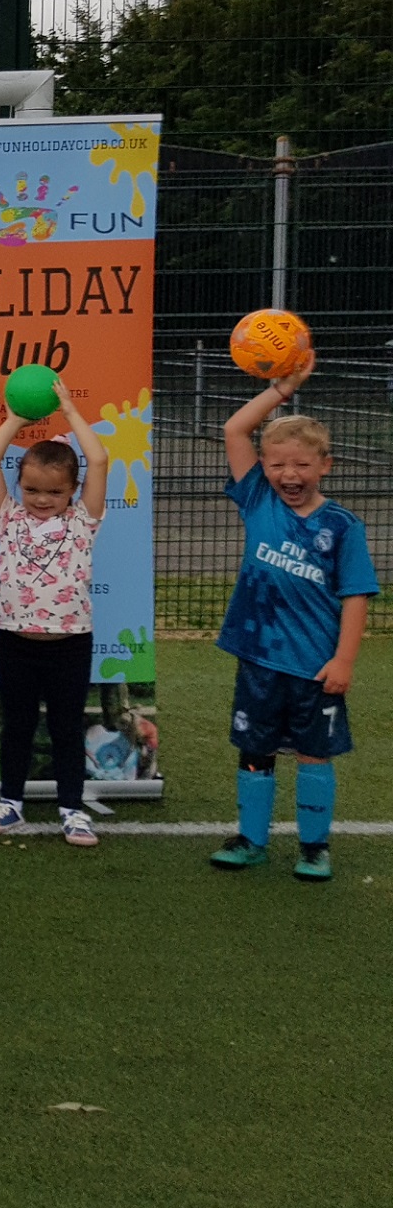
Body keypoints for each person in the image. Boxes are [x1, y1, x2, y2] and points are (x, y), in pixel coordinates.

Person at [210, 357, 375, 880]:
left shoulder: (342, 527)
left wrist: (343, 660)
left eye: (302, 465)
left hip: (315, 668)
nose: (289, 475)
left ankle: (313, 847)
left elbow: (355, 597)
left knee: (313, 756)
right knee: (255, 750)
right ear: (263, 466)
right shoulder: (259, 500)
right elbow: (235, 427)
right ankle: (251, 840)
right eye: (277, 464)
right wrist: (283, 388)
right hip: (260, 657)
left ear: (326, 465)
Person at [0, 382, 111, 847]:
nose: (41, 498)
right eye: (31, 489)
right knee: (17, 724)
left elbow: (102, 460)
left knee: (67, 727)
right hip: (13, 639)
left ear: (73, 490)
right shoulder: (8, 517)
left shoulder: (82, 520)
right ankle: (10, 802)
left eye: (53, 491)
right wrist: (15, 419)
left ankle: (73, 809)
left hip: (70, 642)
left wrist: (70, 410)